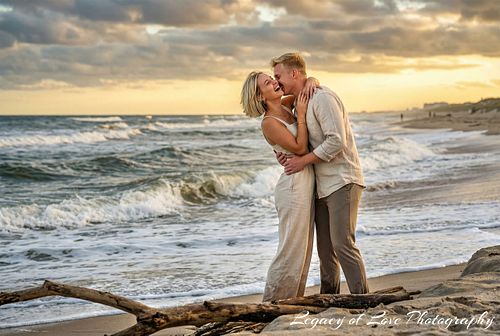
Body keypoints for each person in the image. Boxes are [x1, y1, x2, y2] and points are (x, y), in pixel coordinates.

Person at [272, 53, 369, 294]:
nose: (276, 82)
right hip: (321, 185)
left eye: (278, 76)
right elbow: (274, 118)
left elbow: (336, 141)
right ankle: (330, 299)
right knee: (325, 252)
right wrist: (281, 151)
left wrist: (303, 161)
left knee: (343, 244)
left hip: (342, 181)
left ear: (294, 73)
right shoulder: (296, 101)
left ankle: (363, 298)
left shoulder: (322, 97)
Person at [240, 71, 318, 302]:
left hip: (304, 182)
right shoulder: (270, 123)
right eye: (267, 82)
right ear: (260, 96)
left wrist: (311, 80)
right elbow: (301, 148)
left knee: (303, 249)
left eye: (272, 78)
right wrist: (301, 115)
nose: (275, 82)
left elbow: (305, 87)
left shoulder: (285, 105)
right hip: (293, 187)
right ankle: (272, 303)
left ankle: (292, 302)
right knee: (289, 250)